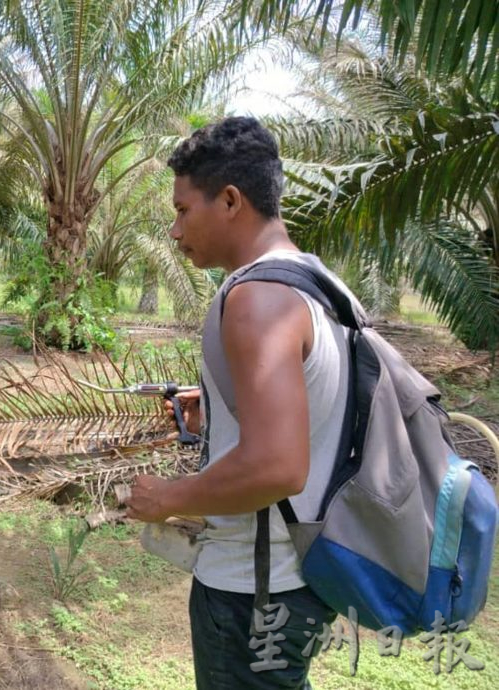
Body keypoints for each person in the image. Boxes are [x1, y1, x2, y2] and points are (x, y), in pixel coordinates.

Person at [125, 117, 349, 689]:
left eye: (182, 210)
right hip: (306, 574)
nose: (175, 231)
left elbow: (278, 466)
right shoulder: (317, 282)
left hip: (252, 591)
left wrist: (167, 498)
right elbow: (318, 407)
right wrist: (227, 410)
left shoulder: (255, 298)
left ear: (229, 200)